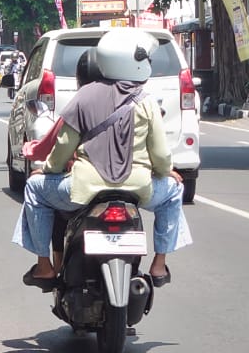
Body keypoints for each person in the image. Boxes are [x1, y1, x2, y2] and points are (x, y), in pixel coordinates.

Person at [15, 28, 187, 291]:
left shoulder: (84, 96)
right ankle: (159, 264)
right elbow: (161, 155)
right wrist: (166, 172)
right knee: (175, 192)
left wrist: (48, 170)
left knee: (34, 189)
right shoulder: (147, 101)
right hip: (138, 190)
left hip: (84, 190)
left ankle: (45, 266)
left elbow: (63, 148)